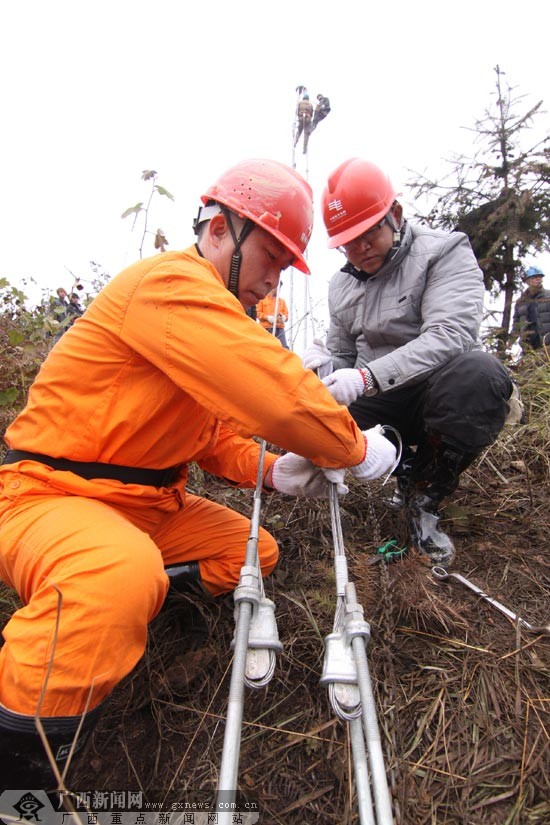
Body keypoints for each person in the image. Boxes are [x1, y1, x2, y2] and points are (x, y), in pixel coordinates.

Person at [0, 158, 397, 789]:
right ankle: (21, 779)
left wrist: (275, 473)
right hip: (52, 497)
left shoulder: (204, 317)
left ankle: (132, 591)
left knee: (251, 552)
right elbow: (276, 392)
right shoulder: (170, 284)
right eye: (270, 257)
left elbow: (212, 437)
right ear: (219, 230)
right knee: (113, 578)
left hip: (148, 508)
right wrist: (353, 448)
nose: (271, 284)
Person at [303, 158, 514, 568]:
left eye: (368, 235)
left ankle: (425, 496)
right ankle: (400, 465)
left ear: (395, 215)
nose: (359, 250)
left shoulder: (444, 252)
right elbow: (343, 354)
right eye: (347, 242)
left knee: (480, 375)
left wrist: (365, 377)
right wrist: (324, 373)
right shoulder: (342, 285)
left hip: (436, 390)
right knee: (313, 410)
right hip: (381, 399)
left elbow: (450, 336)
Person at [512, 266, 550, 350]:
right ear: (527, 281)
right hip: (529, 346)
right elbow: (516, 323)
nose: (538, 279)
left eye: (540, 276)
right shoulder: (521, 302)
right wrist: (511, 340)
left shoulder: (549, 296)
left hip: (547, 343)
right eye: (534, 277)